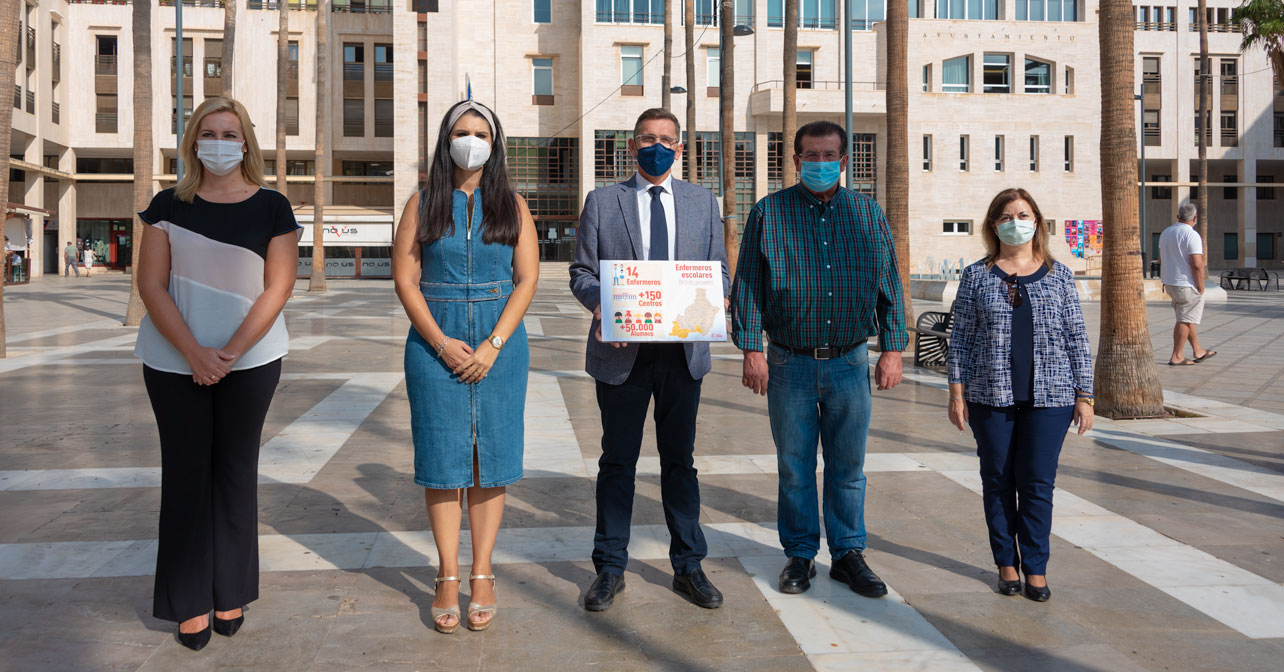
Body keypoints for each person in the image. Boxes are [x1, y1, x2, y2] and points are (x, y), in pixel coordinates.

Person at [133, 96, 300, 650]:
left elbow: (278, 287)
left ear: (246, 142)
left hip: (251, 362)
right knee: (185, 475)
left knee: (234, 473)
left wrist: (227, 352)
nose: (220, 142)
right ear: (193, 141)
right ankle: (188, 601)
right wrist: (194, 353)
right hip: (171, 361)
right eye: (210, 132)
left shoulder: (273, 207)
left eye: (231, 133)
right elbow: (151, 286)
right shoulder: (166, 205)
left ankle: (230, 591)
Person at [731, 120, 907, 599]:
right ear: (795, 161)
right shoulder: (769, 213)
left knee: (848, 466)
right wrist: (751, 349)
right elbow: (747, 285)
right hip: (789, 363)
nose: (820, 163)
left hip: (850, 363)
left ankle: (848, 554)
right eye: (811, 156)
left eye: (830, 155)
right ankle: (801, 554)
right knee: (795, 466)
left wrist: (892, 348)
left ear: (845, 160)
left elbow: (890, 283)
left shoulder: (868, 214)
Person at [569, 108, 730, 612]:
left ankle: (688, 565)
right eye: (647, 138)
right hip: (623, 355)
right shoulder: (603, 200)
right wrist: (602, 304)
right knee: (617, 462)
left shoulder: (703, 202)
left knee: (679, 463)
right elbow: (580, 270)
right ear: (631, 145)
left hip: (683, 353)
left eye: (666, 139)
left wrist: (718, 297)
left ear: (680, 148)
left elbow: (721, 270)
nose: (656, 146)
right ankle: (610, 567)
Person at [393, 99, 538, 635]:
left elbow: (526, 279)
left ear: (495, 143)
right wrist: (440, 341)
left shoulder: (514, 205)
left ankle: (482, 573)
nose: (470, 140)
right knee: (442, 459)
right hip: (436, 341)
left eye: (480, 132)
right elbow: (406, 280)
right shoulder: (421, 203)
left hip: (500, 345)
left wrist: (494, 344)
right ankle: (447, 575)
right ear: (445, 140)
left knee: (489, 461)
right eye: (461, 131)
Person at [946, 188, 1094, 603]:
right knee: (996, 480)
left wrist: (1086, 395)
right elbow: (960, 339)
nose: (1016, 222)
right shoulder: (977, 275)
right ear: (994, 224)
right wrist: (956, 394)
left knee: (1037, 484)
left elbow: (1077, 337)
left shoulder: (1060, 275)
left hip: (1051, 398)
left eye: (1024, 214)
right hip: (989, 396)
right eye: (1007, 215)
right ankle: (1005, 562)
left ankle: (1036, 565)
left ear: (1038, 222)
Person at [1158, 200, 1215, 366]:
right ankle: (1177, 355)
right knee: (1184, 319)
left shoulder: (1166, 232)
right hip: (1187, 284)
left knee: (1186, 316)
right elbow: (1197, 264)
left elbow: (1161, 259)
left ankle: (1198, 350)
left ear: (1178, 216)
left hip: (1170, 283)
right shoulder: (1192, 235)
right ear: (1195, 218)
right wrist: (1201, 286)